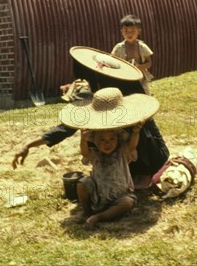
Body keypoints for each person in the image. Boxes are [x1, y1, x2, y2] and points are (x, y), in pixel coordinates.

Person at [12, 47, 169, 189]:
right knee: (90, 131)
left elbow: (144, 137)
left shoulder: (130, 101)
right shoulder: (99, 100)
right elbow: (65, 128)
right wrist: (29, 145)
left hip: (151, 157)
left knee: (134, 128)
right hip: (117, 160)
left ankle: (141, 172)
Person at [58, 87, 159, 228]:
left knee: (128, 203)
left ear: (118, 138)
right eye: (102, 140)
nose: (107, 143)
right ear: (94, 141)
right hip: (98, 194)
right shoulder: (95, 153)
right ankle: (86, 211)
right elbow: (85, 154)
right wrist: (83, 139)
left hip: (120, 195)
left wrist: (136, 132)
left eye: (112, 139)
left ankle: (99, 217)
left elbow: (131, 146)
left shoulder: (122, 151)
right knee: (82, 184)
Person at [111, 14, 154, 95]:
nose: (129, 34)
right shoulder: (118, 48)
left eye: (133, 31)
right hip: (124, 77)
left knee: (144, 95)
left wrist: (139, 67)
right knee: (125, 95)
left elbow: (149, 63)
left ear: (139, 31)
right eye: (126, 31)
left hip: (140, 77)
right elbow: (112, 60)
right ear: (121, 31)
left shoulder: (142, 47)